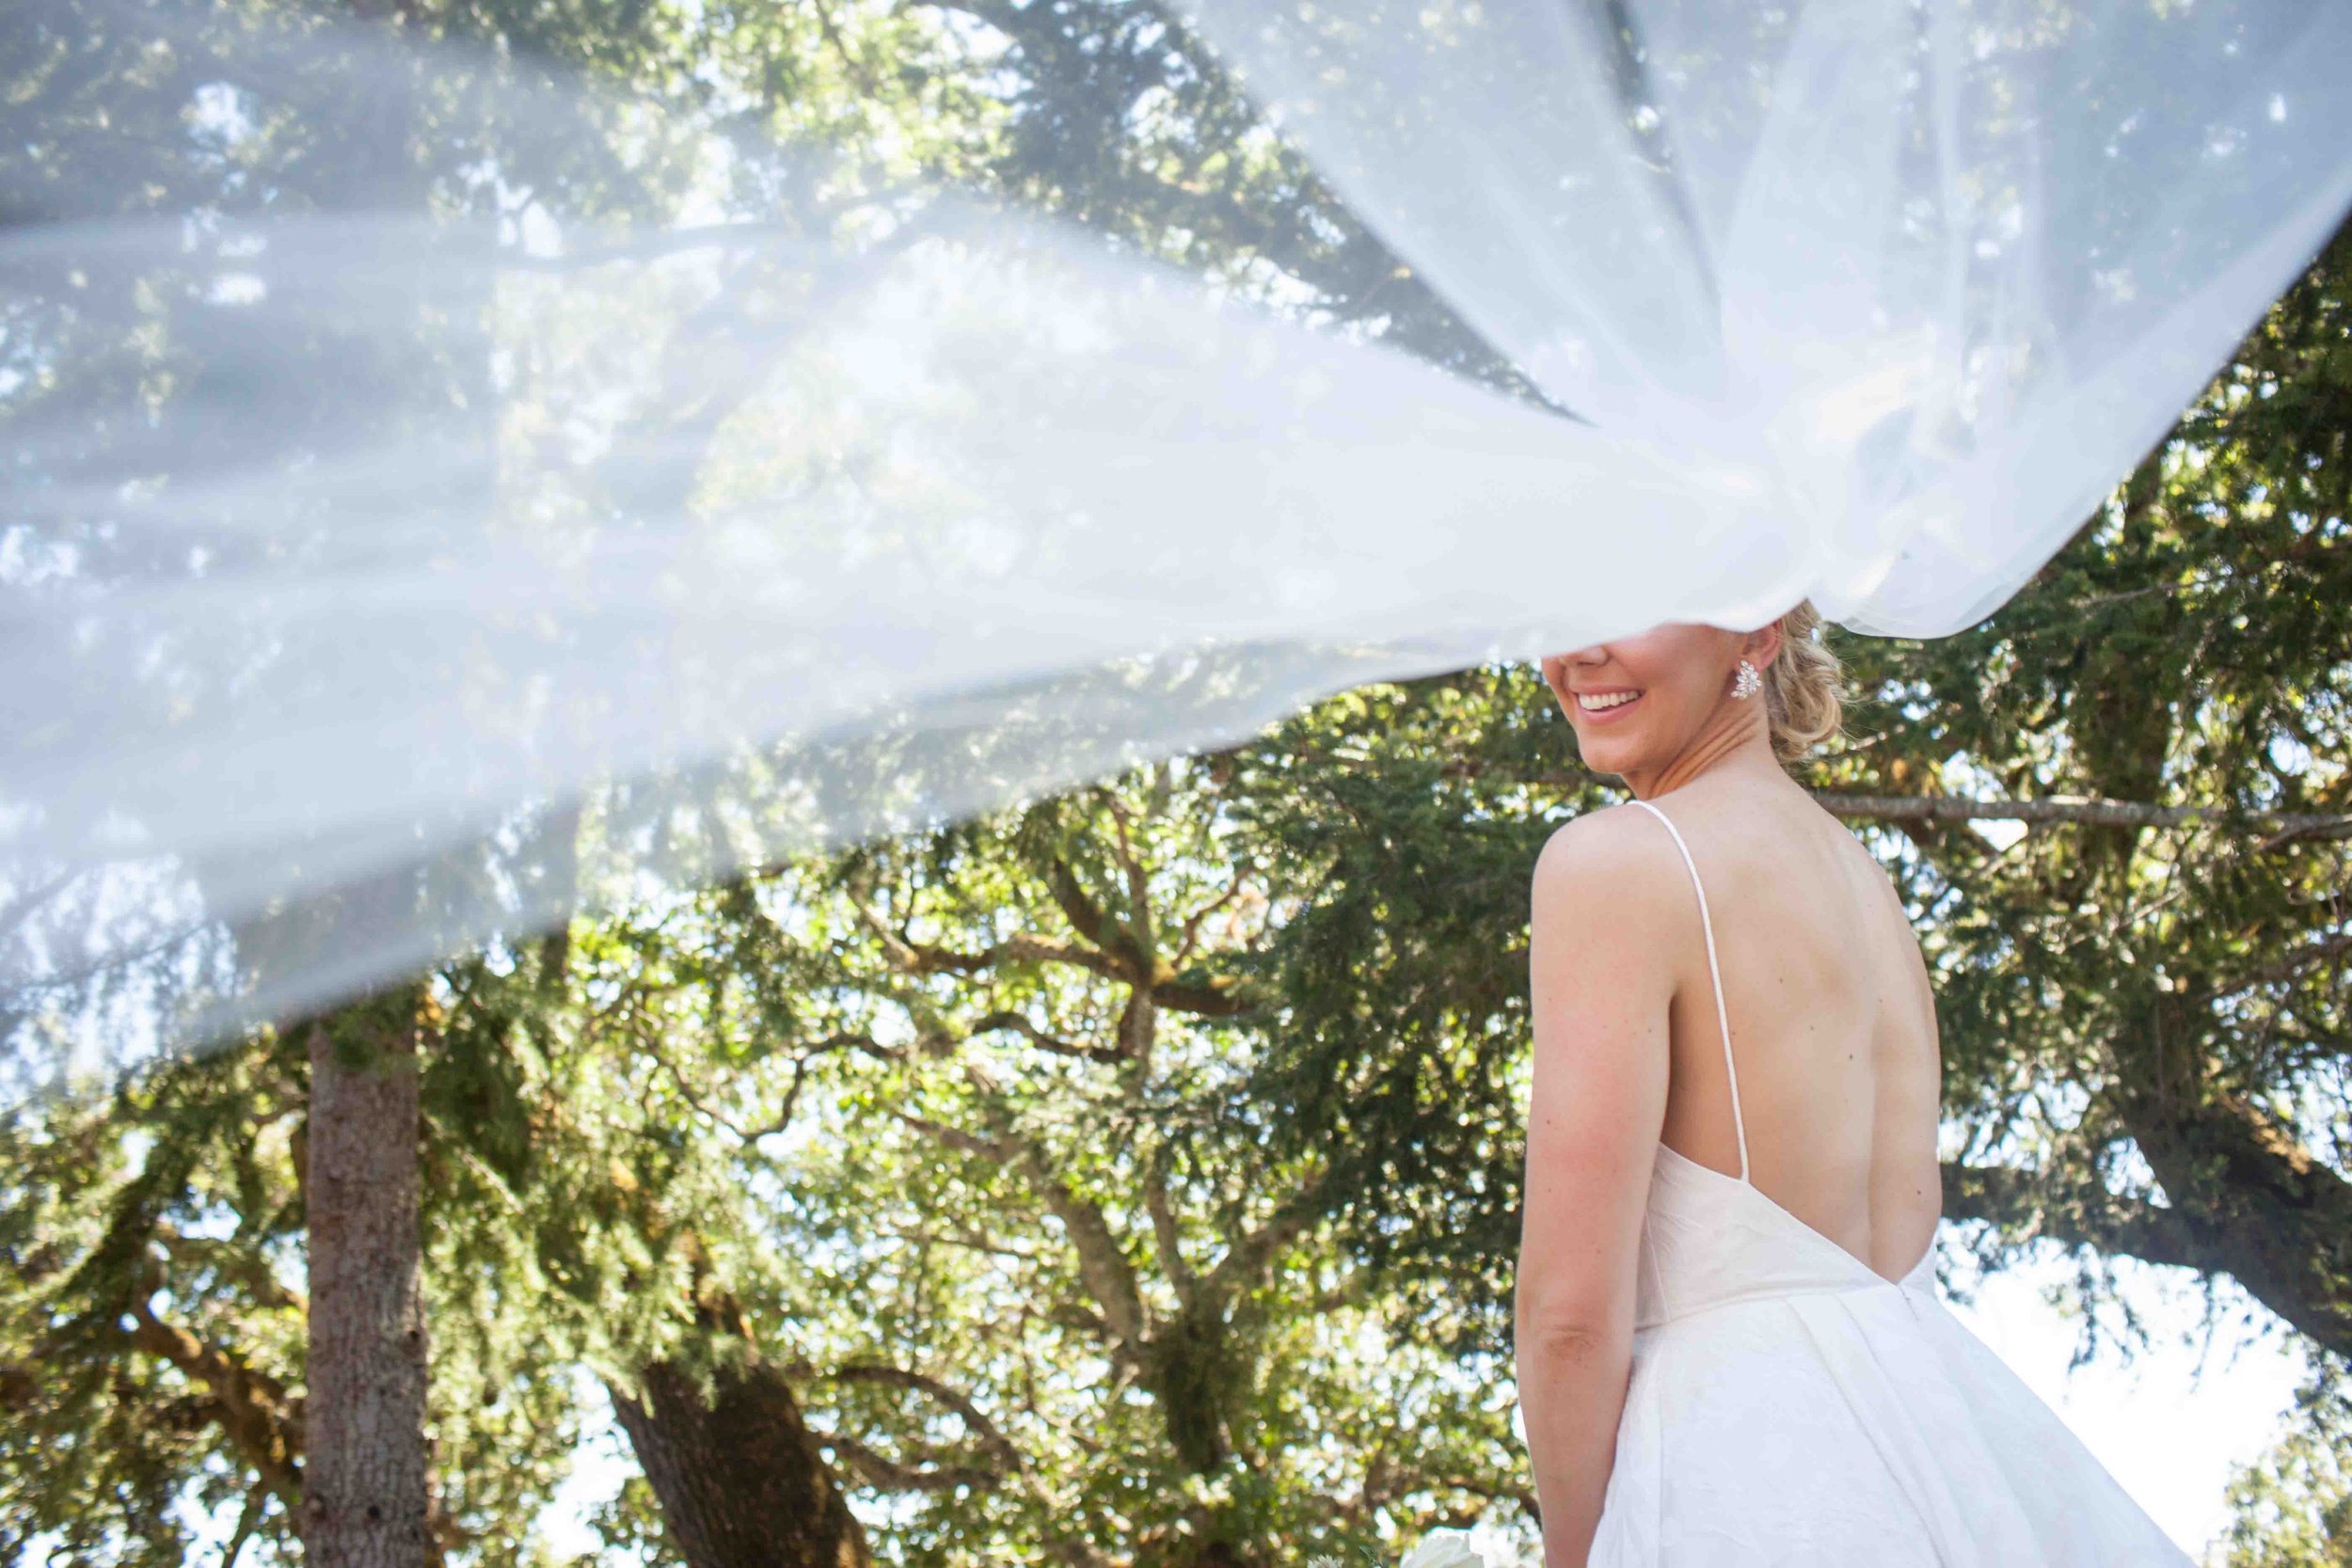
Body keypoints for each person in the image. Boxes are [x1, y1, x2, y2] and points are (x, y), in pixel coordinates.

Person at [1508, 604, 2189, 1566]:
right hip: (1946, 1454)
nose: (1576, 651)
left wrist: (1576, 1551)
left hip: (1739, 1476)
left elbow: (1569, 1314)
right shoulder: (1871, 891)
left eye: (1631, 604)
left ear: (1757, 632)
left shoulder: (1615, 862)